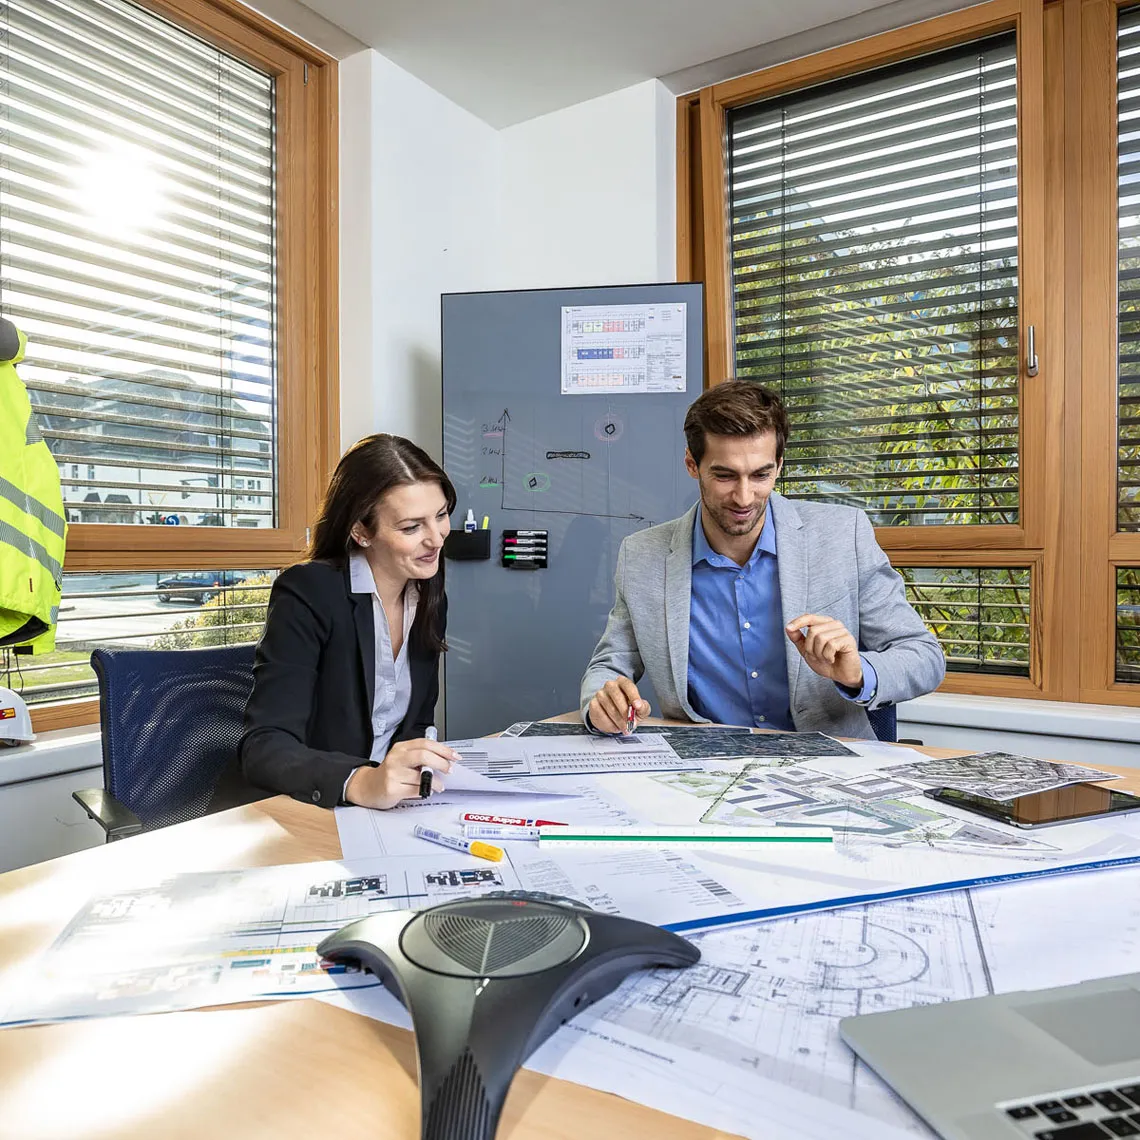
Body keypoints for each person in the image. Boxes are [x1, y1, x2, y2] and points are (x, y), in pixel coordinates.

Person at [581, 381, 945, 739]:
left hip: (825, 766)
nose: (744, 497)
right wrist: (601, 706)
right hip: (704, 768)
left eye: (760, 475)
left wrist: (858, 672)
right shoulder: (642, 555)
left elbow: (923, 657)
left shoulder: (841, 536)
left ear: (779, 466)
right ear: (693, 464)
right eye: (724, 475)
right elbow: (610, 664)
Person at [213, 434, 461, 813]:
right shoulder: (309, 592)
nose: (436, 539)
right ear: (361, 531)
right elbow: (264, 746)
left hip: (384, 811)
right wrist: (362, 780)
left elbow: (414, 724)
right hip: (303, 809)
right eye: (411, 527)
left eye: (441, 515)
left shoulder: (428, 596)